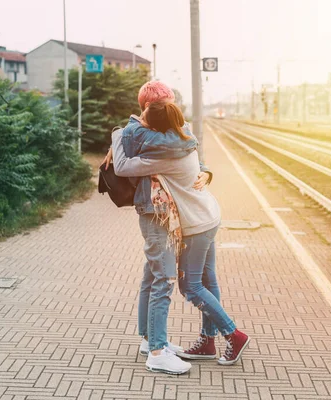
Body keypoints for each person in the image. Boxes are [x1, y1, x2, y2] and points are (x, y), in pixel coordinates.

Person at [111, 101, 251, 367]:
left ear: (154, 128)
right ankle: (208, 342)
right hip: (209, 215)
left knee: (191, 286)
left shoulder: (161, 157)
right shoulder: (185, 139)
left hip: (196, 226)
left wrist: (118, 135)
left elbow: (123, 167)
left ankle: (234, 335)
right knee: (207, 282)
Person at [102, 82, 212, 375]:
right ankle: (157, 353)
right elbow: (125, 167)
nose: (174, 110)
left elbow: (195, 158)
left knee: (150, 278)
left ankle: (149, 339)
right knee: (163, 279)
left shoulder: (154, 135)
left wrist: (205, 171)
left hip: (161, 212)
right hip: (154, 213)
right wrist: (117, 138)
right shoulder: (159, 141)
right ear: (152, 108)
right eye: (167, 104)